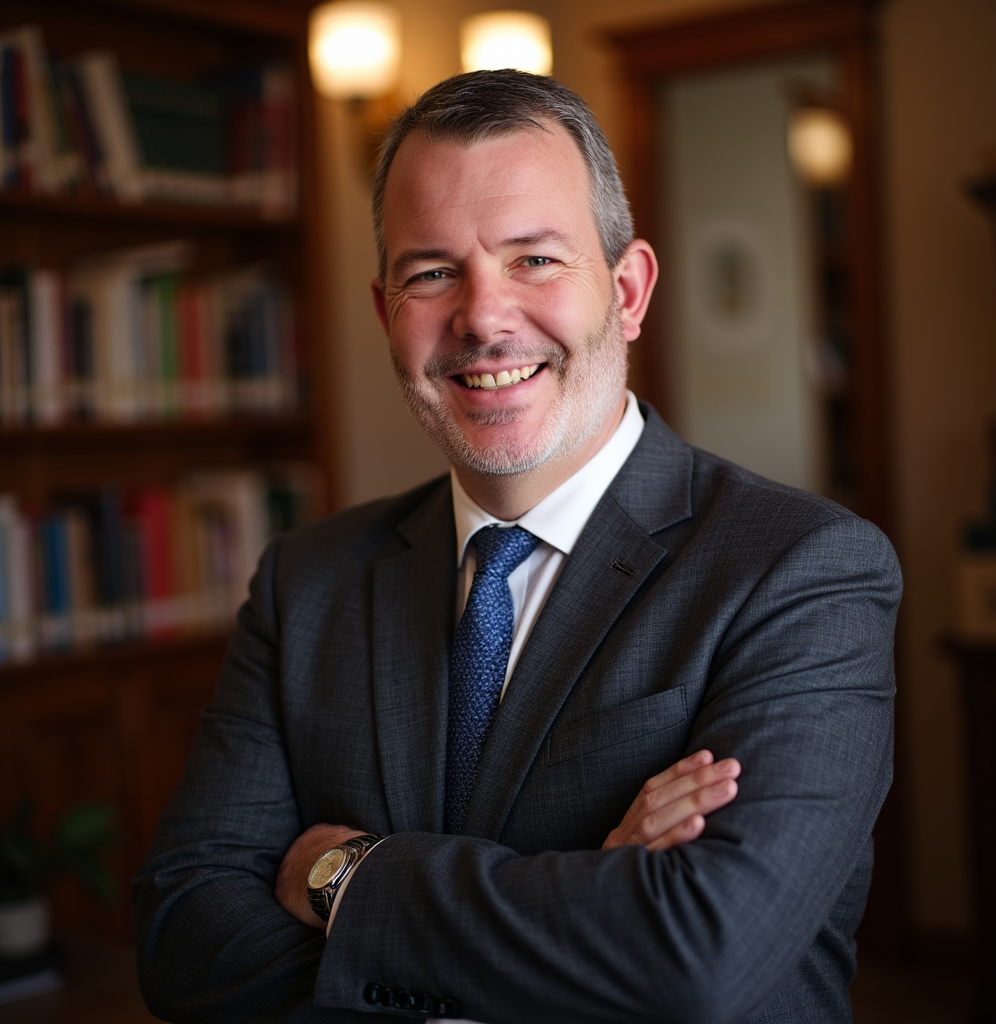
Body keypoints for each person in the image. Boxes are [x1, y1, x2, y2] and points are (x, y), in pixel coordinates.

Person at [134, 70, 901, 1024]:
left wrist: (342, 872)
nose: (483, 318)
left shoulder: (803, 570)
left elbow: (700, 958)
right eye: (431, 272)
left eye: (534, 259)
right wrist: (582, 917)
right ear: (385, 316)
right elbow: (183, 939)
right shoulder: (308, 582)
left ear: (626, 291)